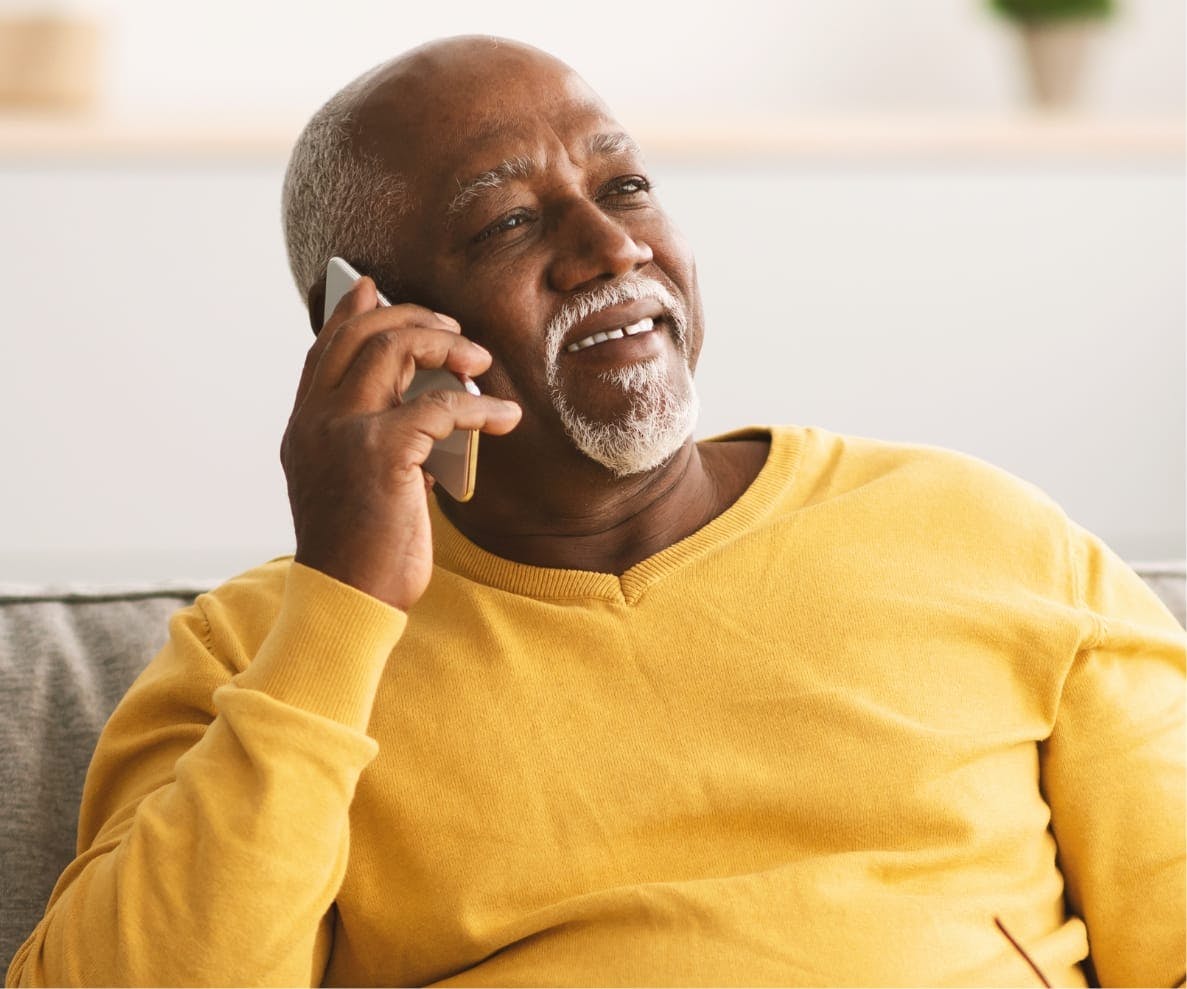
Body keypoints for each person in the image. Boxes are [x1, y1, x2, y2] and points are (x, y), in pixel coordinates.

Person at [7, 35, 1184, 988]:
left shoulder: (980, 530)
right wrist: (343, 604)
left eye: (622, 185)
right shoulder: (259, 654)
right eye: (508, 222)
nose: (611, 245)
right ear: (371, 327)